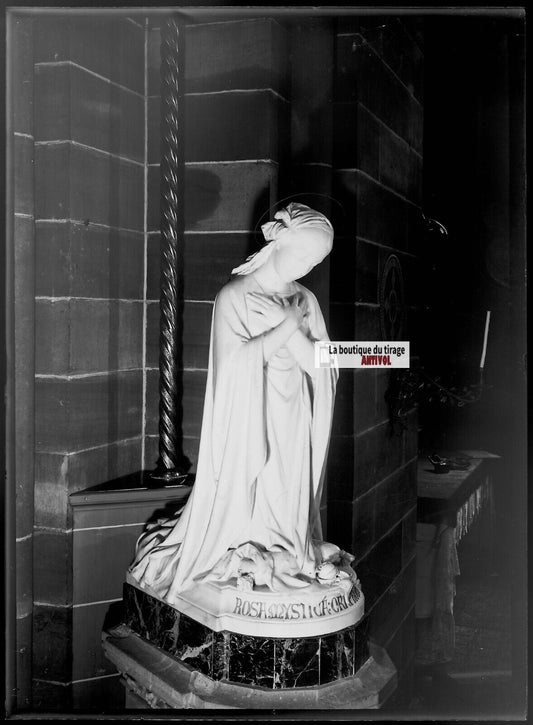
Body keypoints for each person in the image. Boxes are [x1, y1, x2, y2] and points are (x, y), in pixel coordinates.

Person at [129, 203, 345, 602]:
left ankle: (286, 547)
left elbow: (326, 366)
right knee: (258, 483)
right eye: (302, 256)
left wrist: (294, 333)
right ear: (279, 243)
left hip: (294, 412)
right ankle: (251, 547)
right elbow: (233, 368)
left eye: (314, 262)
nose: (306, 268)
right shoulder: (235, 297)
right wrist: (285, 329)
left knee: (287, 487)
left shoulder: (306, 301)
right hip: (251, 418)